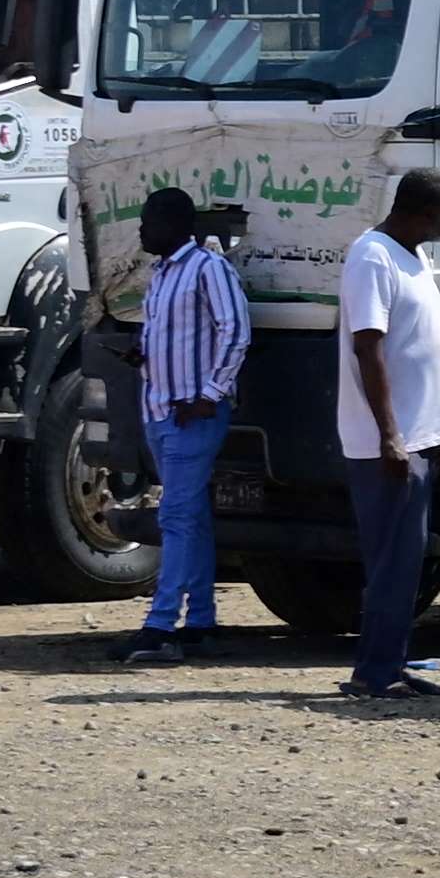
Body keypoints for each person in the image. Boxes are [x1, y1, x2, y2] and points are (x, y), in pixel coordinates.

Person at [336, 171, 440, 697]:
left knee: (407, 564)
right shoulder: (373, 256)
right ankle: (374, 674)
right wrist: (391, 436)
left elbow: (424, 347)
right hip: (387, 446)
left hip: (421, 439)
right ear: (420, 210)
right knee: (391, 563)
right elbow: (370, 348)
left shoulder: (415, 256)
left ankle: (392, 662)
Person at [127, 184, 255, 656]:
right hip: (159, 408)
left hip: (191, 416)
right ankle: (200, 620)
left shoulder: (208, 268)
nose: (141, 229)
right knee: (192, 518)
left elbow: (236, 331)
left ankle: (160, 628)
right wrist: (141, 353)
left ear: (174, 225)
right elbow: (168, 333)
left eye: (148, 221)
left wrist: (210, 393)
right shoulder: (160, 273)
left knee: (175, 517)